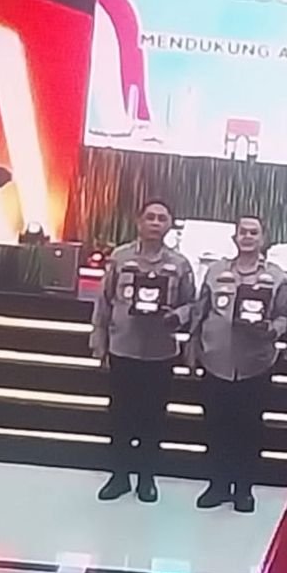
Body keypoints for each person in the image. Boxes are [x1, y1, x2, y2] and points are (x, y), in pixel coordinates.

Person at [91, 198, 195, 503]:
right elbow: (104, 301)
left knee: (153, 419)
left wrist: (177, 317)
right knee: (120, 417)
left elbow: (192, 304)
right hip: (123, 348)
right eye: (150, 217)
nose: (155, 223)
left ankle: (147, 478)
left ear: (169, 225)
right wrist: (99, 342)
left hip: (160, 353)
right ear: (139, 222)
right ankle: (119, 477)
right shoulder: (120, 257)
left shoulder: (180, 264)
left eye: (162, 218)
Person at [189, 215, 287, 513]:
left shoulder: (277, 276)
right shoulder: (215, 271)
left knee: (249, 431)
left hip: (254, 365)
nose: (247, 237)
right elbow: (200, 310)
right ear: (234, 238)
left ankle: (244, 489)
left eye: (253, 232)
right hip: (216, 362)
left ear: (263, 238)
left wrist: (272, 330)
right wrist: (192, 345)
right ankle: (218, 485)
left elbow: (285, 315)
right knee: (215, 428)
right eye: (243, 232)